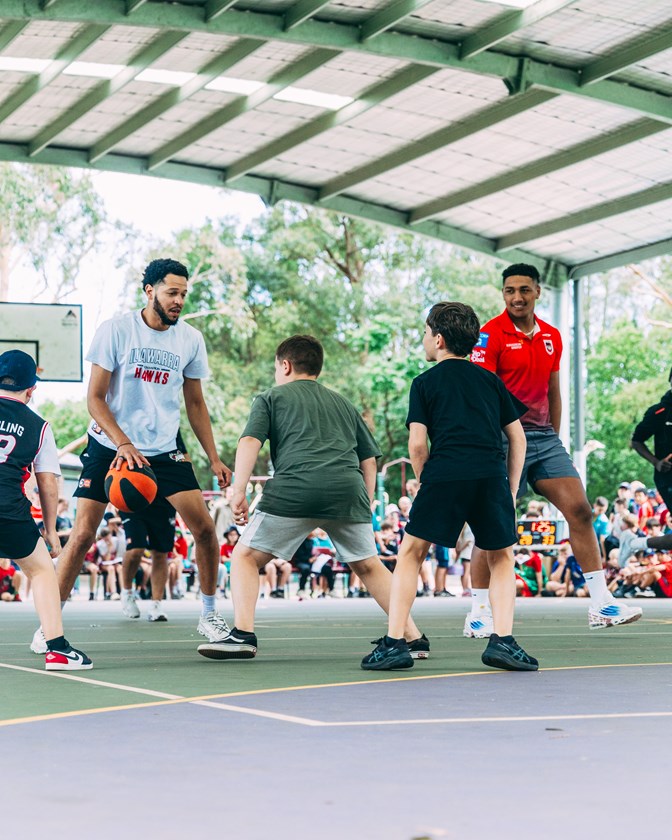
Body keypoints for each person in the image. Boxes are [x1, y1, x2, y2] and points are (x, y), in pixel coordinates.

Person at [30, 258, 232, 656]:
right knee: (84, 534)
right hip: (110, 445)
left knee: (206, 531)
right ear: (149, 291)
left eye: (183, 294)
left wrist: (213, 456)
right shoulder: (117, 331)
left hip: (163, 447)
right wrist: (122, 443)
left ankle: (209, 614)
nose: (178, 301)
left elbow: (195, 402)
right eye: (172, 292)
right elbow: (94, 398)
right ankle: (49, 625)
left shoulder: (189, 339)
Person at [196, 334, 427, 660]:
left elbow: (250, 441)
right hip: (347, 491)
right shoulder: (344, 403)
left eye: (277, 368)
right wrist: (367, 500)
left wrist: (238, 491)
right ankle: (412, 636)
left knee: (245, 557)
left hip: (296, 489)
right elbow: (369, 460)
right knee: (370, 566)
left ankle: (243, 634)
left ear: (285, 365)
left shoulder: (270, 397)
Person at [363, 302, 536, 672]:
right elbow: (517, 438)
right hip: (490, 474)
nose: (424, 339)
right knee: (501, 556)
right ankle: (503, 641)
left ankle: (395, 642)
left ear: (438, 339)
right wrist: (511, 488)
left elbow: (417, 445)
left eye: (426, 333)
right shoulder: (490, 380)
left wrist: (427, 482)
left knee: (411, 553)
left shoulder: (424, 383)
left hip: (445, 472)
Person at [468, 263, 641, 631]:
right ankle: (478, 613)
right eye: (510, 290)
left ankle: (601, 603)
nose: (517, 296)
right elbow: (480, 392)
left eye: (524, 290)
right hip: (500, 438)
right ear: (503, 294)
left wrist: (554, 436)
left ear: (537, 292)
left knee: (579, 510)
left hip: (544, 439)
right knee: (492, 522)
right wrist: (489, 443)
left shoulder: (551, 336)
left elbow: (554, 391)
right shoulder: (488, 335)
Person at [0, 349, 92, 669]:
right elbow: (49, 483)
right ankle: (57, 649)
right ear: (31, 389)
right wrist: (51, 531)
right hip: (9, 511)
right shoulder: (38, 426)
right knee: (41, 572)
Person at [120, 496, 178, 621]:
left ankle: (156, 604)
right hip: (132, 496)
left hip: (163, 499)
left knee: (160, 552)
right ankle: (127, 592)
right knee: (136, 549)